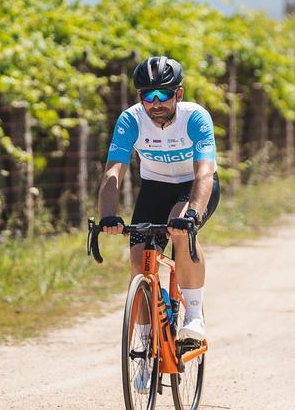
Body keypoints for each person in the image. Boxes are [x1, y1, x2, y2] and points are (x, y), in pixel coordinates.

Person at [94, 56, 220, 353]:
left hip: (194, 186)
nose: (155, 102)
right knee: (139, 263)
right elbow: (114, 171)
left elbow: (204, 172)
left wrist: (192, 214)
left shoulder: (196, 118)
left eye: (163, 94)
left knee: (180, 230)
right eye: (147, 95)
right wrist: (107, 216)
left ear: (179, 93)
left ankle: (193, 316)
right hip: (155, 188)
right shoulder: (131, 120)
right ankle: (147, 345)